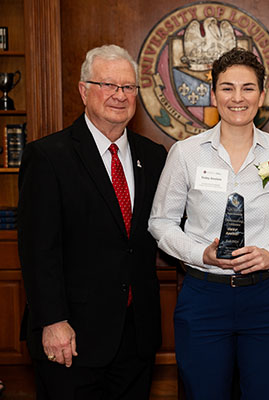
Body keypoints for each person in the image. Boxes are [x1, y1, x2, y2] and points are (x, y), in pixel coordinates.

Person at [148, 48, 269, 400]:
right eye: (228, 88)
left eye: (248, 88)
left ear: (262, 95)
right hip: (204, 296)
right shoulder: (186, 154)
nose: (238, 98)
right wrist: (201, 253)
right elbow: (161, 222)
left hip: (266, 298)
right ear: (213, 92)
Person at [18, 44, 167, 399]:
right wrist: (53, 322)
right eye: (108, 85)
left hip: (136, 337)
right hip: (71, 337)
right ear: (84, 90)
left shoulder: (154, 156)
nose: (120, 95)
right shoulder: (48, 156)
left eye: (128, 87)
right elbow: (39, 251)